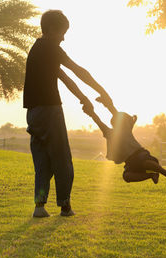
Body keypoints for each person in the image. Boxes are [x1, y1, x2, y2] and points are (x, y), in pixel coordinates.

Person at [24, 10, 113, 218]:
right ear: (52, 30)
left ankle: (39, 206)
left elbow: (64, 78)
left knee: (42, 160)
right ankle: (65, 206)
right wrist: (103, 91)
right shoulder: (51, 48)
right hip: (50, 110)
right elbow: (78, 71)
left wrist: (84, 99)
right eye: (62, 33)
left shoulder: (38, 49)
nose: (63, 38)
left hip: (33, 113)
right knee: (62, 158)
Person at [83, 97, 166, 184]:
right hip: (130, 162)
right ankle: (151, 175)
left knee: (145, 163)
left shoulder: (125, 129)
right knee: (127, 176)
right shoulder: (109, 133)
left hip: (140, 154)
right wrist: (92, 112)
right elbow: (99, 121)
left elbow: (114, 113)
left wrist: (106, 104)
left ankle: (165, 173)